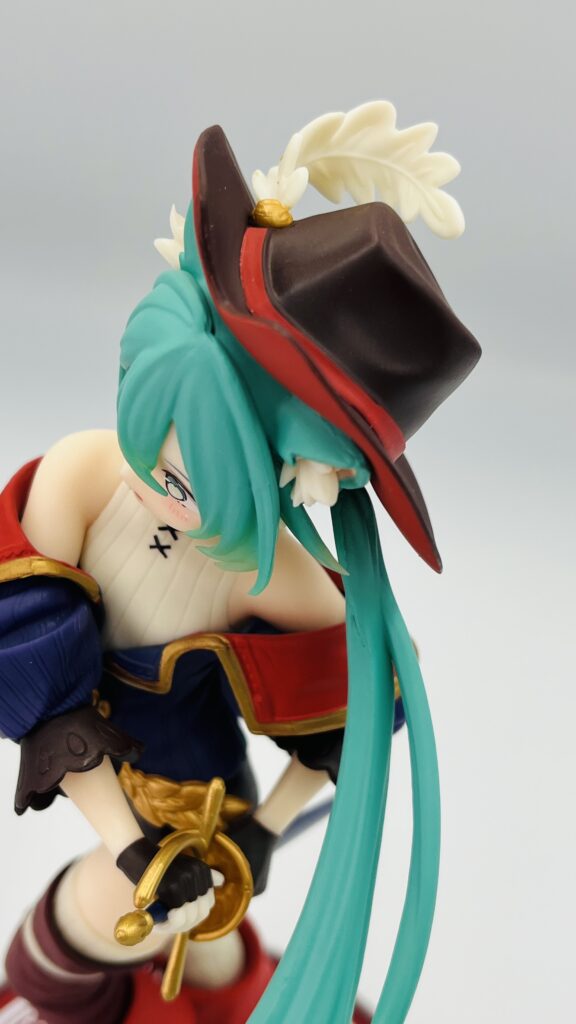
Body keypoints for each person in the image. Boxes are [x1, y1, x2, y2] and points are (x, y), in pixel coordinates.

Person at [0, 102, 480, 1024]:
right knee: (69, 946)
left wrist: (260, 831)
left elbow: (368, 696)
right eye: (146, 421)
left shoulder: (264, 574)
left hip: (205, 805)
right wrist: (132, 848)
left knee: (206, 970)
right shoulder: (84, 476)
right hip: (127, 816)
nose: (154, 479)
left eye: (192, 482)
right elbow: (38, 684)